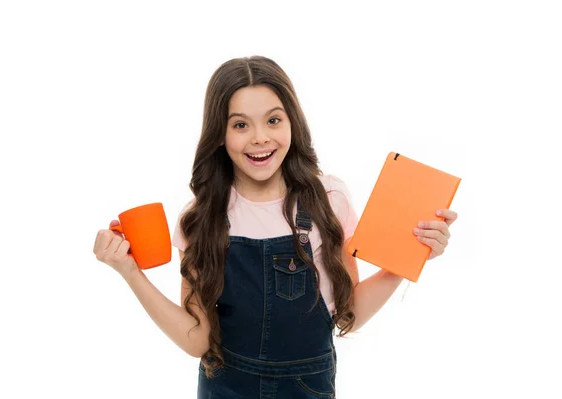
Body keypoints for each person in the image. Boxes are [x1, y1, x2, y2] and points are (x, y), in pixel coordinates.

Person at [92, 55, 458, 398]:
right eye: (240, 124)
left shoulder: (329, 200)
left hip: (307, 386)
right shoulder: (201, 218)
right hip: (225, 386)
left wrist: (408, 257)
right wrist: (130, 272)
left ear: (292, 123)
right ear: (219, 134)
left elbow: (349, 314)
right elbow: (196, 340)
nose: (260, 138)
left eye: (273, 120)